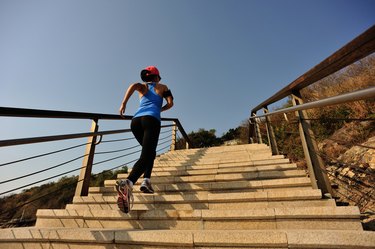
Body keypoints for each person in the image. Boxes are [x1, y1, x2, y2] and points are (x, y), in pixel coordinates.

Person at [116, 66, 174, 213]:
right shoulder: (163, 87)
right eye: (159, 77)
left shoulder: (143, 87)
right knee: (147, 155)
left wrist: (124, 103)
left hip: (136, 122)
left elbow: (133, 85)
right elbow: (171, 103)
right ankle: (128, 183)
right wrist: (159, 109)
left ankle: (146, 181)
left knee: (150, 153)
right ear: (156, 77)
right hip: (151, 121)